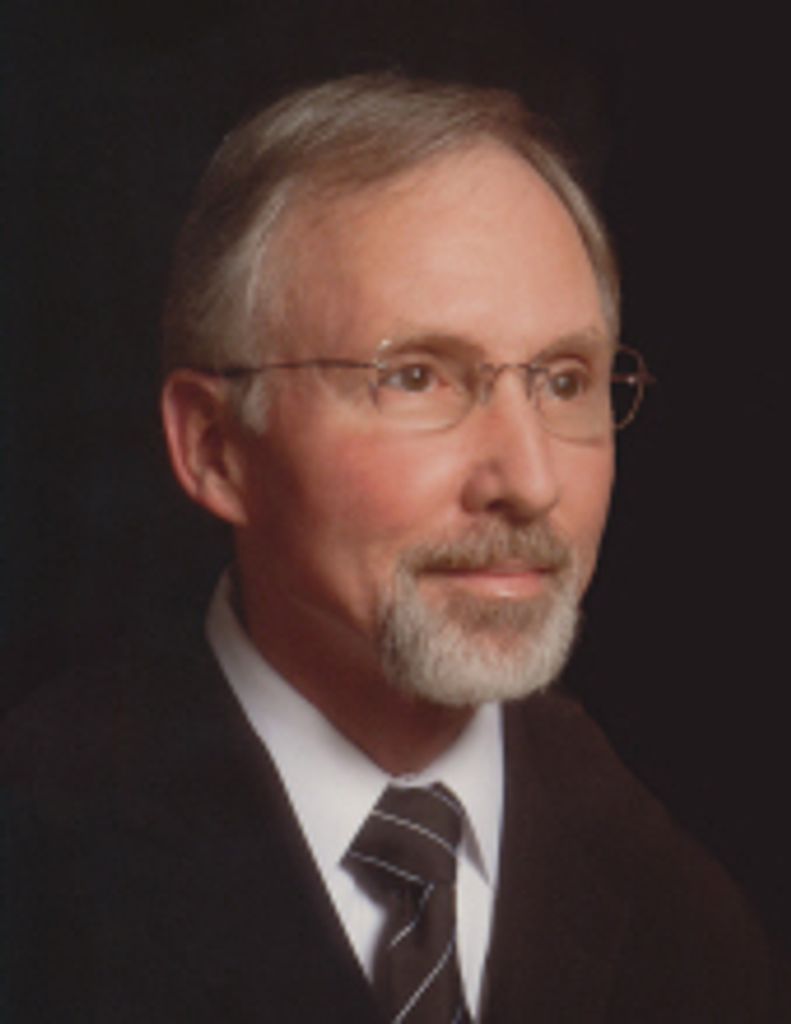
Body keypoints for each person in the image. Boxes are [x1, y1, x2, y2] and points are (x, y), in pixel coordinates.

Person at [2, 74, 786, 1022]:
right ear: (215, 449)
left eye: (563, 379)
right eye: (416, 378)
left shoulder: (696, 926)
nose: (530, 479)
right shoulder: (36, 864)